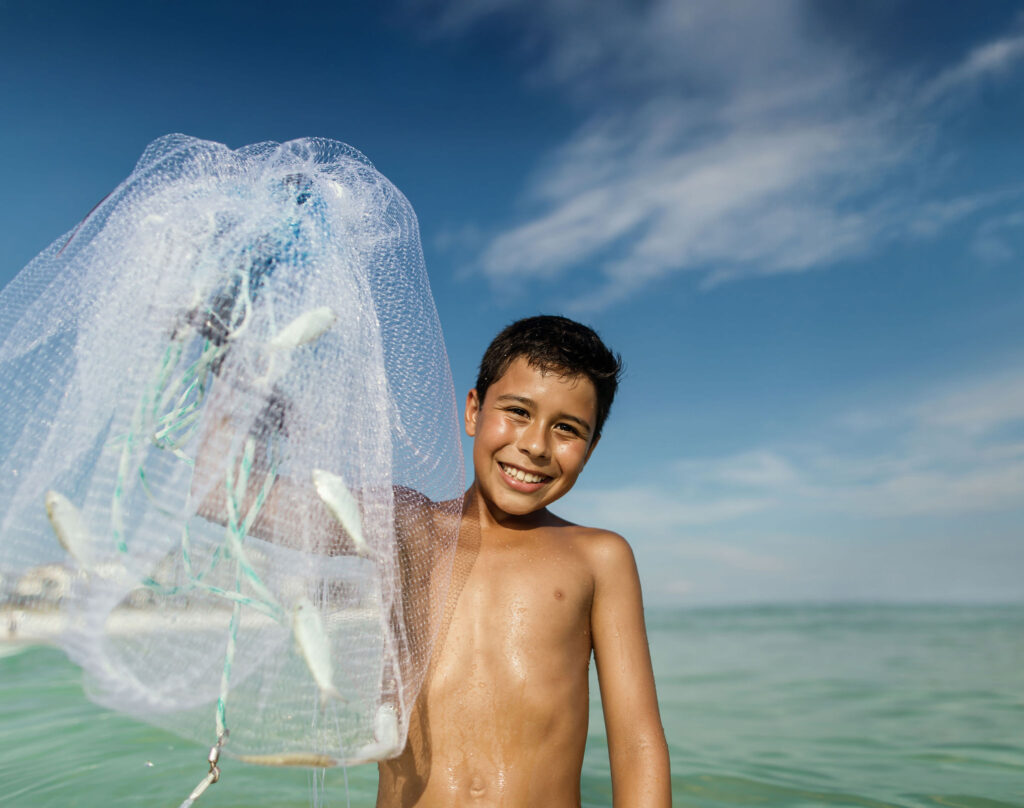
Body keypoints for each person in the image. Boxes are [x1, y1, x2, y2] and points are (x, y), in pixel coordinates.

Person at [376, 315, 671, 807]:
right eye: (517, 411)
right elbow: (231, 496)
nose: (535, 445)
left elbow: (637, 746)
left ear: (592, 448)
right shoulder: (408, 525)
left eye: (567, 429)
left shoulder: (598, 558)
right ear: (474, 410)